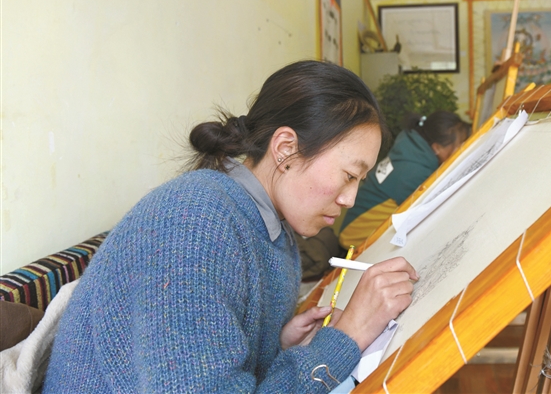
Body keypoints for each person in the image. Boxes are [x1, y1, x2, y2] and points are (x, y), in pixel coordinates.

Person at [44, 60, 418, 393]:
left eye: (360, 181)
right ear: (285, 148)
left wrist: (278, 347)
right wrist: (346, 337)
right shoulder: (192, 223)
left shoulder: (272, 228)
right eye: (349, 175)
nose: (350, 199)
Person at [338, 111, 471, 249]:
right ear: (437, 147)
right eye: (458, 146)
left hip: (352, 223)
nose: (461, 150)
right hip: (355, 237)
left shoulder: (410, 148)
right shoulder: (416, 173)